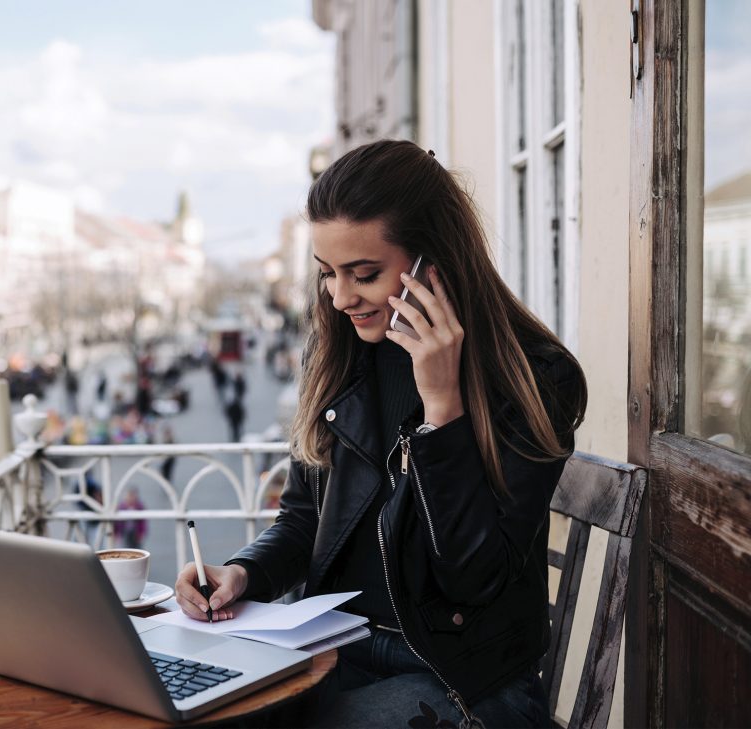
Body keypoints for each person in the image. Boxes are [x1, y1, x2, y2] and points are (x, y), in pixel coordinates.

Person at [172, 141, 587, 728]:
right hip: (328, 655)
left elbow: (474, 579)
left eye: (363, 274)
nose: (341, 298)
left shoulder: (535, 377)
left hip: (460, 683)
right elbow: (303, 520)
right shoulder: (342, 356)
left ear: (432, 263)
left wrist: (443, 410)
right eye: (328, 275)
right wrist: (242, 574)